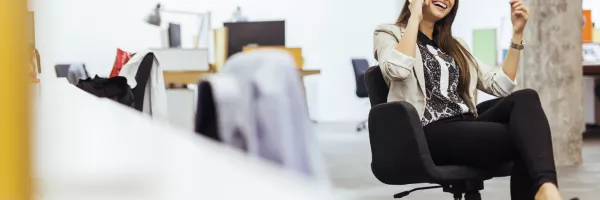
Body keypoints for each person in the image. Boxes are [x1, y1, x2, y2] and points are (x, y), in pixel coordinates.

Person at [373, 0, 563, 199]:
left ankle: (546, 188)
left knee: (526, 97)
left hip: (465, 124)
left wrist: (517, 34)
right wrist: (415, 18)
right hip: (427, 132)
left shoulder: (456, 45)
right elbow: (397, 70)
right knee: (525, 138)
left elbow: (501, 84)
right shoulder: (388, 33)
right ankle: (547, 192)